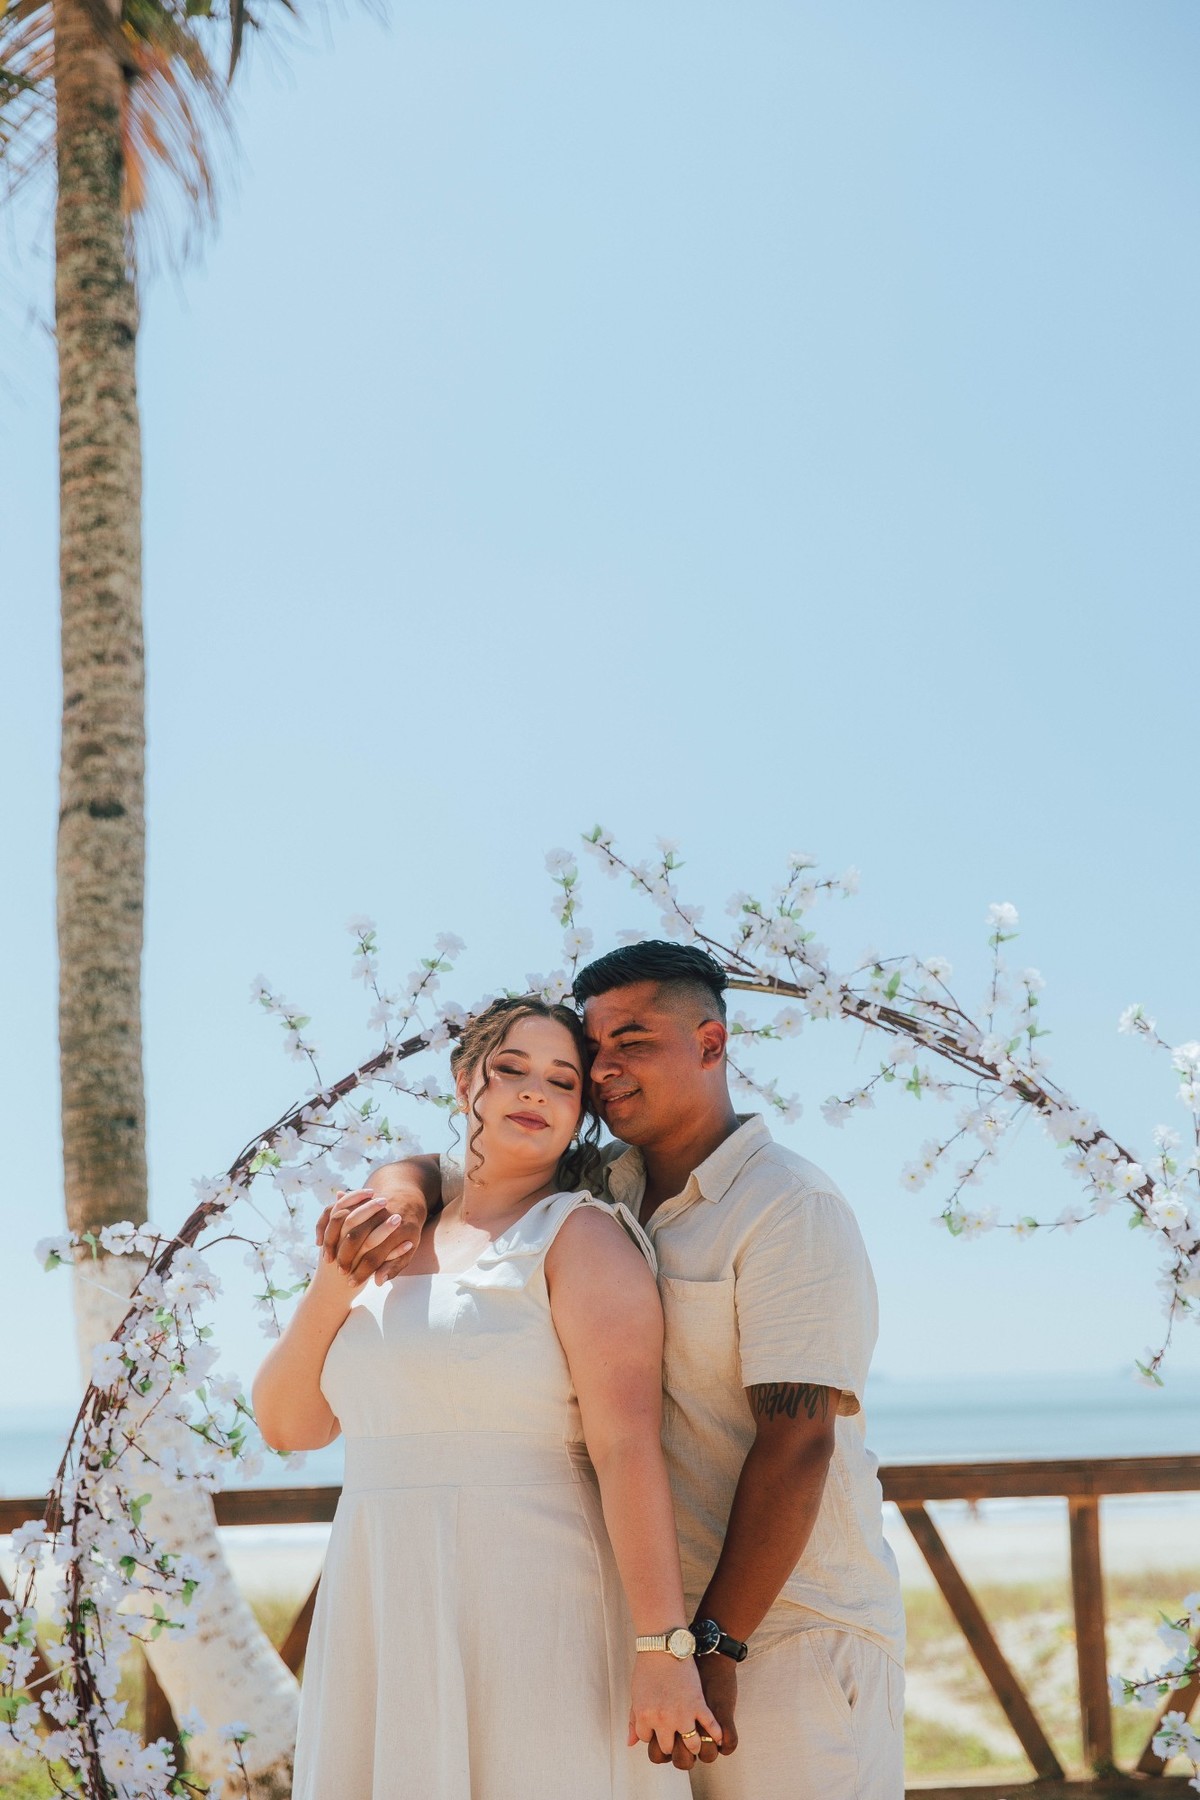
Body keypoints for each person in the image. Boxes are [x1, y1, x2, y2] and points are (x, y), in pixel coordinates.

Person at [325, 942, 906, 1799]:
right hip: (651, 1636)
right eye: (593, 1049)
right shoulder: (602, 1185)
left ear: (710, 1044)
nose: (603, 1070)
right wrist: (400, 1194)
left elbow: (800, 1445)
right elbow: (452, 1168)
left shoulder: (789, 1206)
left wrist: (715, 1648)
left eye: (632, 1042)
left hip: (786, 1632)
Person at [254, 995, 720, 1800]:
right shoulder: (386, 1232)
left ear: (579, 1112)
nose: (536, 1090)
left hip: (535, 1597)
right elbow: (289, 1425)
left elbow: (626, 1447)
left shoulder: (580, 1237)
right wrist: (335, 1282)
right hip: (382, 1592)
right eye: (512, 1069)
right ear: (465, 1080)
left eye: (562, 1081)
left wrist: (663, 1647)